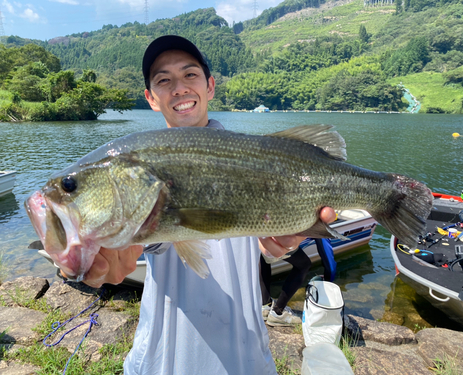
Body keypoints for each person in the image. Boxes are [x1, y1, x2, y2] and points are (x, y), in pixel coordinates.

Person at [76, 35, 336, 375]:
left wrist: (279, 245)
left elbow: (263, 245)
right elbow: (147, 239)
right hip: (162, 361)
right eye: (164, 80)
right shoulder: (143, 170)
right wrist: (95, 255)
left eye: (190, 75)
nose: (179, 88)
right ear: (151, 98)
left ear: (210, 86)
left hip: (248, 360)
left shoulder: (251, 156)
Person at [260, 248, 312, 327]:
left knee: (264, 253)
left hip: (262, 238)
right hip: (278, 238)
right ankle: (278, 312)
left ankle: (265, 305)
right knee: (304, 264)